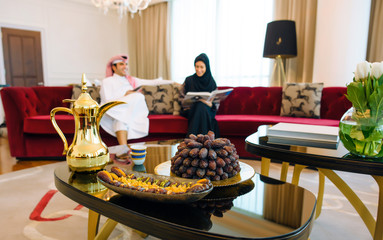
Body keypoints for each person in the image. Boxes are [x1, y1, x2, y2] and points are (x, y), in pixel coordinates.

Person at [100, 54, 172, 146]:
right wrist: (125, 95)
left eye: (126, 64)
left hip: (127, 112)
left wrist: (173, 82)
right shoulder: (107, 81)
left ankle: (123, 149)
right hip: (111, 111)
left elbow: (154, 82)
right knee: (137, 96)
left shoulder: (131, 80)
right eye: (122, 64)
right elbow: (107, 101)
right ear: (113, 67)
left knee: (121, 120)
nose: (125, 67)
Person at [180, 53, 220, 137]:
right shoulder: (189, 80)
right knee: (200, 106)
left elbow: (215, 102)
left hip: (207, 109)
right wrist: (188, 102)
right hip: (190, 109)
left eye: (201, 67)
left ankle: (192, 140)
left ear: (207, 67)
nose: (198, 69)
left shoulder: (211, 82)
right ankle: (205, 140)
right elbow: (181, 98)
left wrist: (210, 104)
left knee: (201, 106)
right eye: (196, 66)